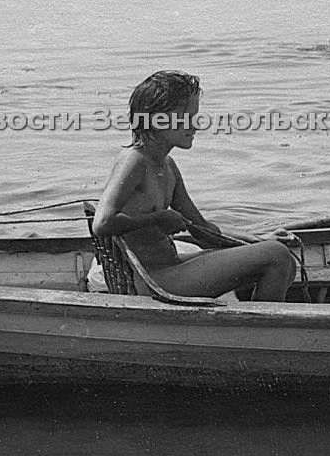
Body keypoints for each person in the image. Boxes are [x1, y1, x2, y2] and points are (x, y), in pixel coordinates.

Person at [92, 70, 297, 301]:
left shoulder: (167, 165)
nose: (196, 125)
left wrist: (260, 238)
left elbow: (201, 229)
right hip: (155, 281)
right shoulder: (135, 161)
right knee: (277, 256)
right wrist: (158, 218)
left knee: (280, 256)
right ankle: (263, 334)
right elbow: (102, 223)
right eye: (188, 117)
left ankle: (257, 323)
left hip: (171, 267)